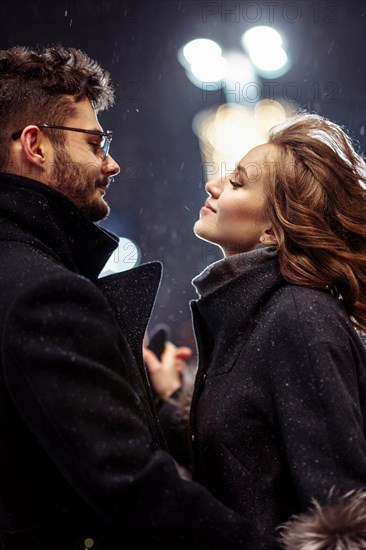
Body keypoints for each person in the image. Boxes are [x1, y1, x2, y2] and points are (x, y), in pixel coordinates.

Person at [0, 45, 280, 550]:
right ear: (35, 146)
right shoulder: (44, 293)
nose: (112, 164)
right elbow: (132, 487)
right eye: (95, 142)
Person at [145, 113, 366, 539]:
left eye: (238, 183)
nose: (213, 186)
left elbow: (341, 513)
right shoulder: (252, 313)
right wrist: (172, 396)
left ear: (273, 230)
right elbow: (241, 458)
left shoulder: (300, 317)